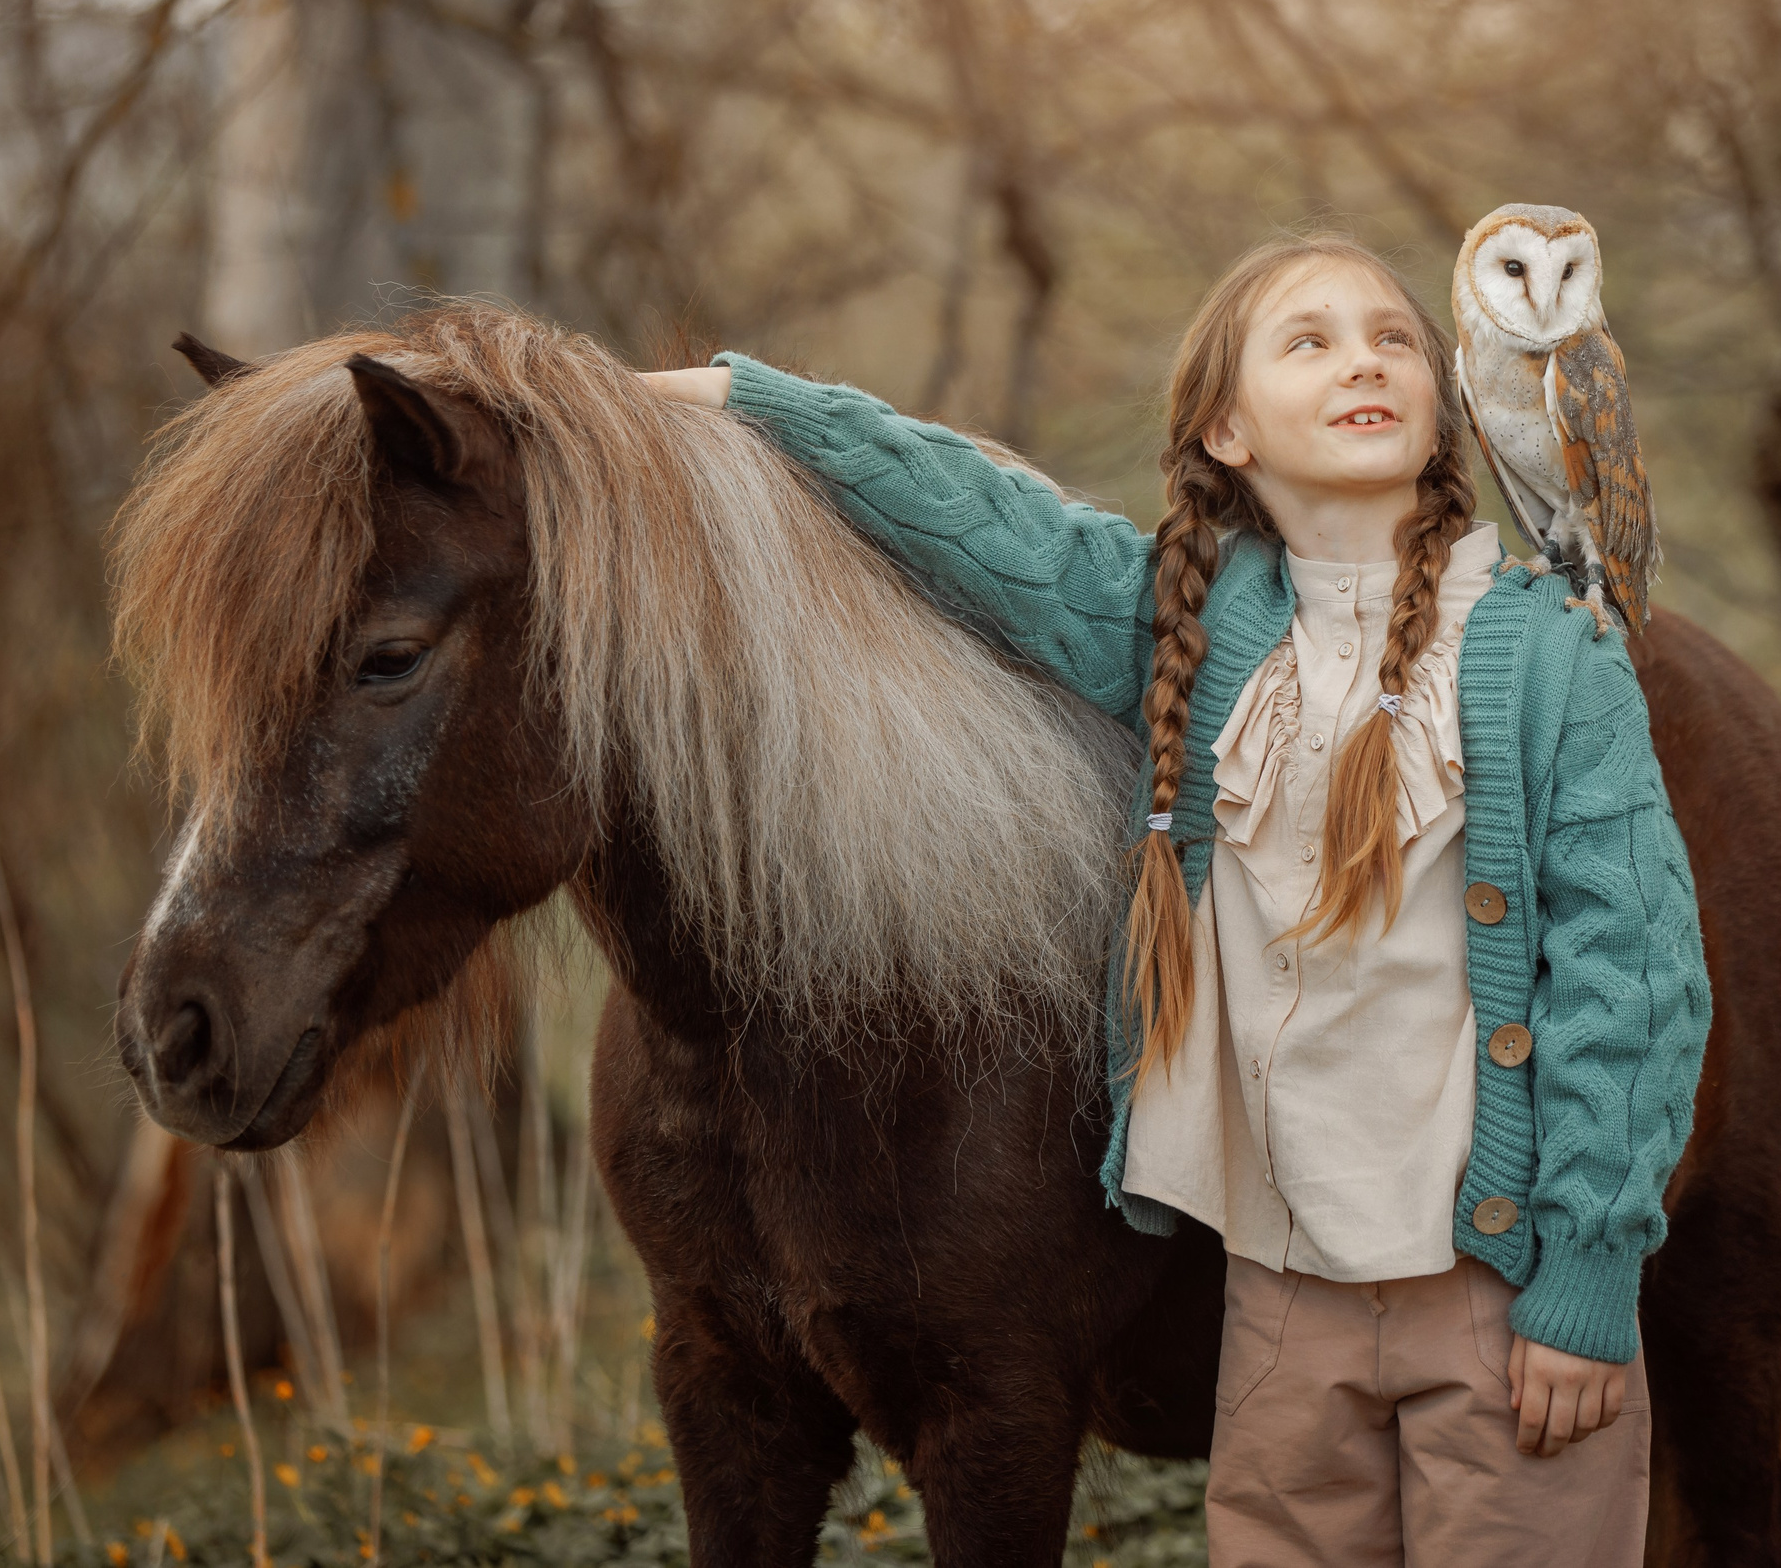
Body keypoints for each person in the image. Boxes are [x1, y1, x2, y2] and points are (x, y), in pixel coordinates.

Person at [642, 234, 1711, 1566]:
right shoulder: (1186, 630)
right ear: (1228, 427)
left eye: (1390, 337)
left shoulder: (1552, 652)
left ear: (1441, 404)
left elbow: (1638, 976)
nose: (1365, 359)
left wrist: (1588, 1283)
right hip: (1273, 1315)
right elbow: (979, 516)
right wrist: (749, 401)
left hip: (1497, 1304)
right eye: (1307, 341)